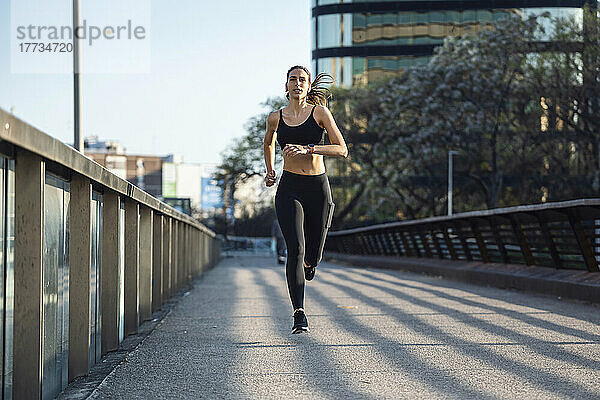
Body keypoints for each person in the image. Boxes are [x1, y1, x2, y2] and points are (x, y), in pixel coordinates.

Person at [263, 65, 348, 334]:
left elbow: (342, 149)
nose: (297, 84)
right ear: (286, 85)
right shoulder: (276, 118)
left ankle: (311, 265)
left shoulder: (320, 113)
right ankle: (299, 314)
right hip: (289, 188)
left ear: (308, 86)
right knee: (295, 250)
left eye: (302, 80)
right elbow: (267, 143)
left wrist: (309, 148)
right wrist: (270, 170)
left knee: (313, 254)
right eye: (292, 79)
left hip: (317, 188)